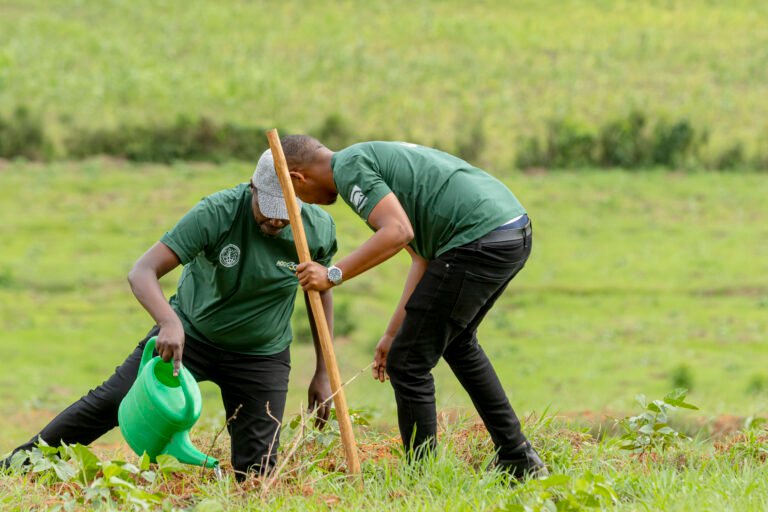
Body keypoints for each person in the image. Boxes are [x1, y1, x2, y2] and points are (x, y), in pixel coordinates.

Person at [0, 150, 338, 479]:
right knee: (113, 399)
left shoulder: (317, 230)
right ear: (253, 189)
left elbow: (319, 293)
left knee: (256, 472)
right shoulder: (216, 213)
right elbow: (143, 271)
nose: (277, 220)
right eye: (269, 210)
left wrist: (324, 372)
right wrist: (169, 322)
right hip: (190, 336)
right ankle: (16, 468)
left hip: (261, 355)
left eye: (286, 212)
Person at [281, 136, 547, 480]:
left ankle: (422, 477)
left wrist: (332, 274)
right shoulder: (366, 158)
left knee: (407, 364)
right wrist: (393, 332)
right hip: (509, 230)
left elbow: (397, 232)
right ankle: (518, 457)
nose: (304, 203)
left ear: (298, 177)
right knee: (457, 343)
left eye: (296, 195)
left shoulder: (349, 169)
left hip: (477, 236)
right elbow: (421, 258)